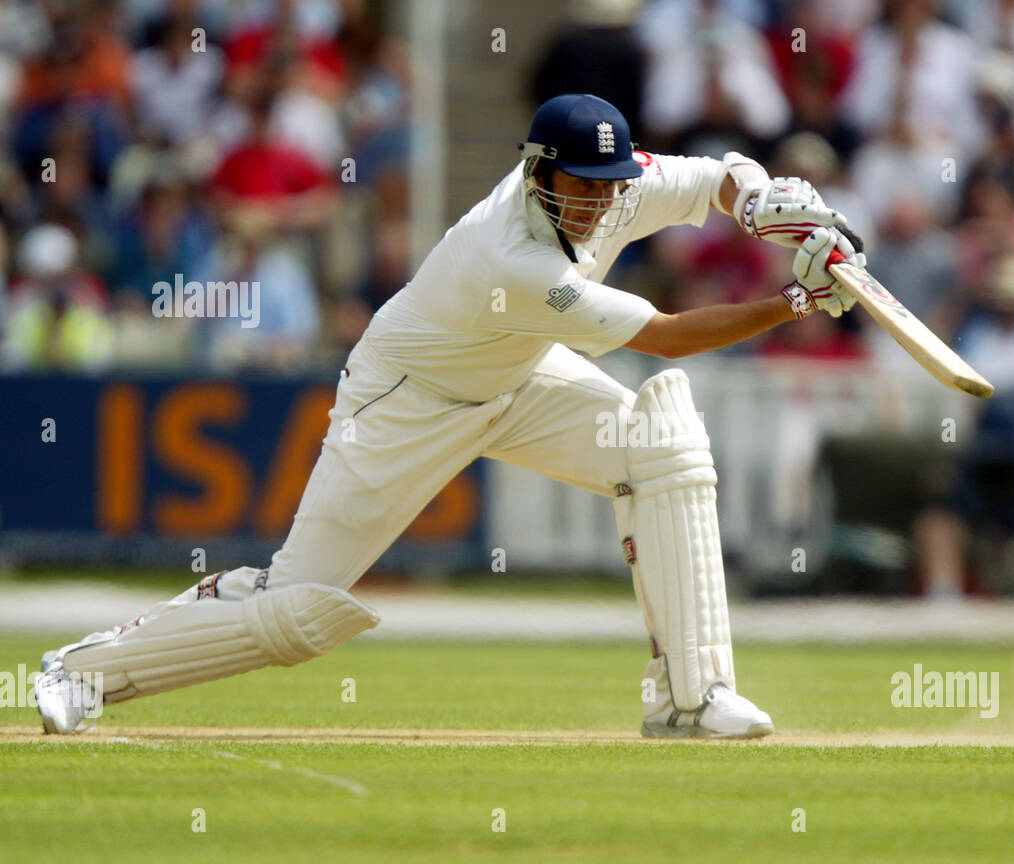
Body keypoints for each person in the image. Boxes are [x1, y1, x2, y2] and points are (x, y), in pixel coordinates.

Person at [34, 93, 865, 739]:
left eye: (608, 187)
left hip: (517, 373)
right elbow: (670, 337)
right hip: (408, 401)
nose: (596, 205)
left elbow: (720, 174)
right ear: (540, 173)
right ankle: (85, 672)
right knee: (297, 611)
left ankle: (692, 697)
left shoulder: (621, 185)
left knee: (660, 443)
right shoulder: (513, 255)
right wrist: (797, 297)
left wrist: (762, 206)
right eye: (578, 186)